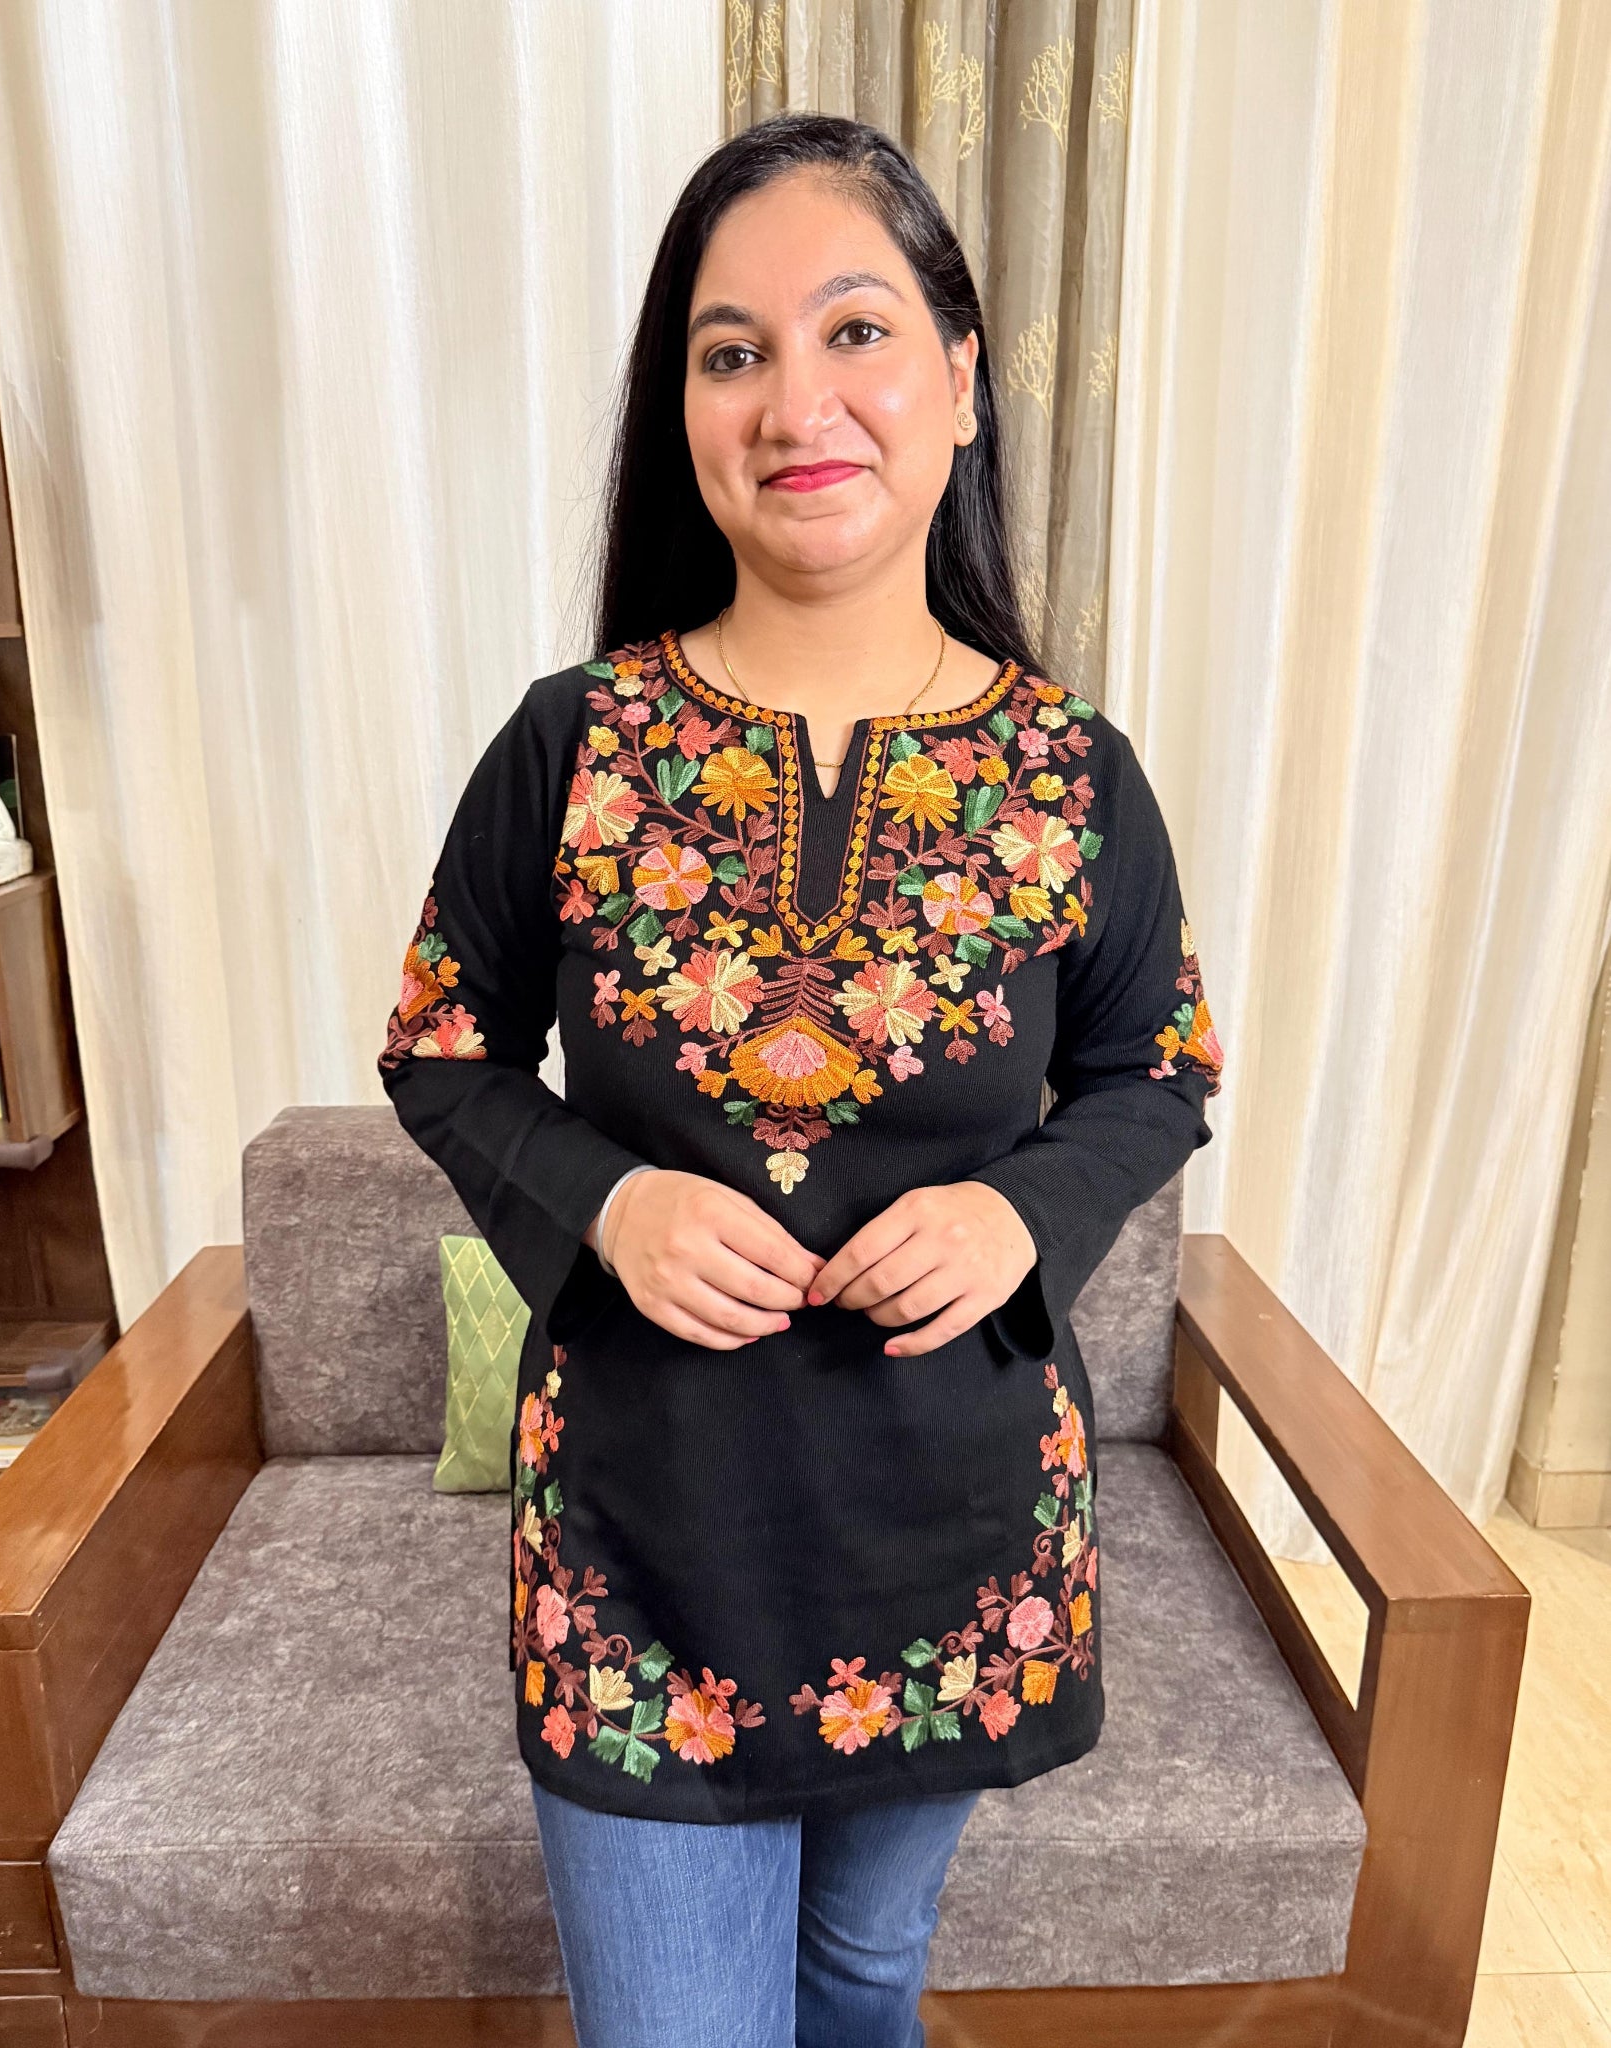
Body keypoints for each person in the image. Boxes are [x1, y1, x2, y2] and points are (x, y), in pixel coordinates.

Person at [379, 110, 1223, 2048]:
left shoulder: (1072, 777)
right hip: (645, 1547)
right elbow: (440, 1046)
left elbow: (1155, 1070)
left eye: (852, 330)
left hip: (952, 1532)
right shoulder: (572, 744)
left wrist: (1024, 1206)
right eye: (729, 349)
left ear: (957, 377)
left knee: (858, 1979)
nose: (792, 399)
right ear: (683, 410)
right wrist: (606, 1193)